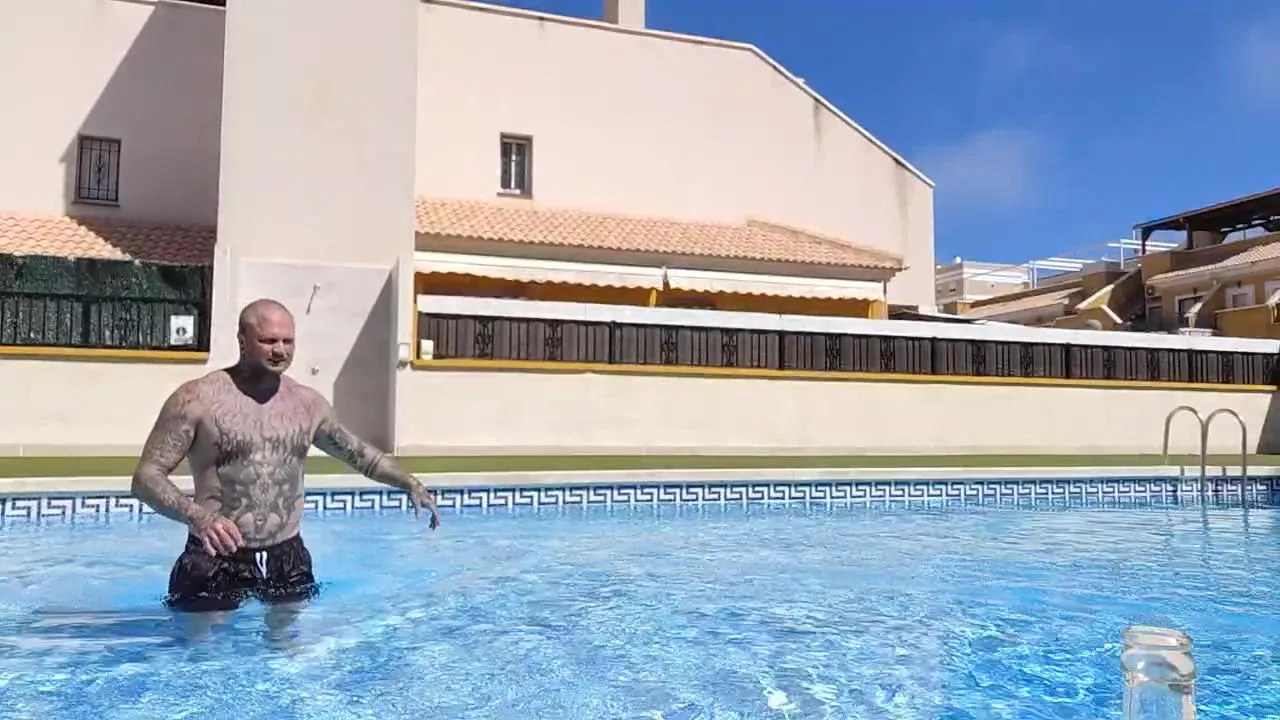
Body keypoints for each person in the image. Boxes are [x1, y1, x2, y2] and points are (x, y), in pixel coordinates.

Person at [130, 298, 440, 613]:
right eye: (268, 341)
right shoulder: (197, 399)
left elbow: (361, 456)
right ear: (242, 340)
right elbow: (146, 478)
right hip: (215, 554)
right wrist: (199, 517)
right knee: (205, 642)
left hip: (287, 558)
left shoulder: (308, 405)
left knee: (287, 643)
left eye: (287, 341)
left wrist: (410, 483)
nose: (280, 350)